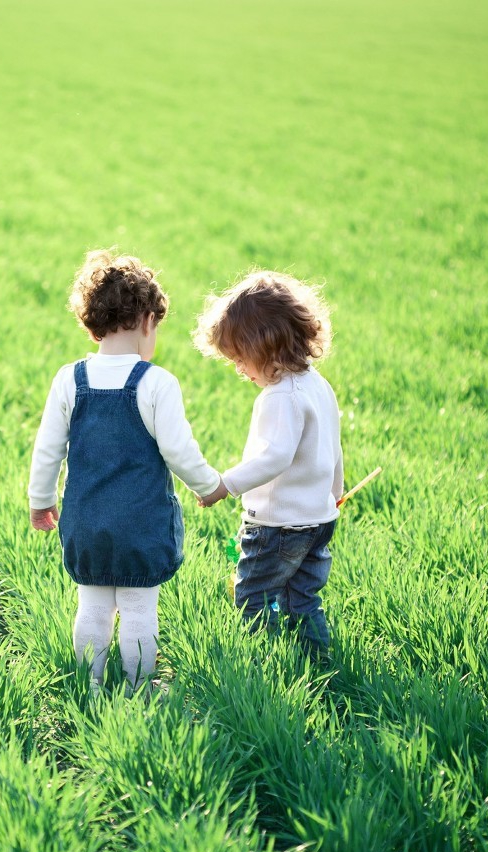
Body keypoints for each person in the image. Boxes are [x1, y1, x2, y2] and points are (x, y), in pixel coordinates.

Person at [29, 249, 224, 693]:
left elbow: (47, 450)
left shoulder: (69, 379)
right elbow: (179, 450)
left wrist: (41, 502)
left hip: (87, 520)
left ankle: (90, 686)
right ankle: (138, 687)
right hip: (141, 524)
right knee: (139, 608)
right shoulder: (156, 383)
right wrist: (209, 486)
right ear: (147, 321)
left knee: (92, 607)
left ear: (91, 321)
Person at [194, 271, 343, 661]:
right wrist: (334, 493)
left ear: (265, 346)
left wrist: (225, 484)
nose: (240, 370)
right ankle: (317, 662)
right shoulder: (317, 385)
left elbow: (275, 457)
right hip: (318, 520)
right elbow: (333, 446)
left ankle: (262, 664)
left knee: (252, 596)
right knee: (302, 598)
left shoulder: (282, 396)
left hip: (279, 525)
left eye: (241, 359)